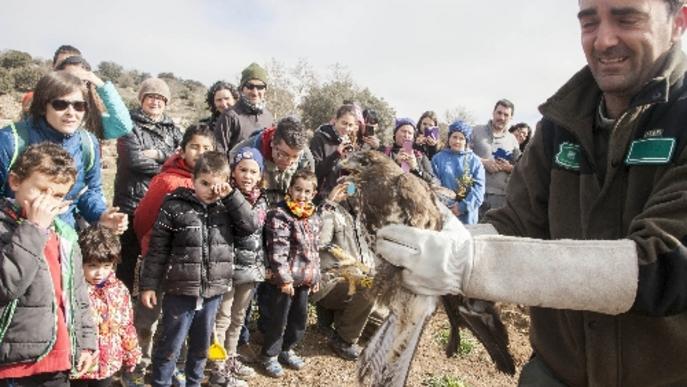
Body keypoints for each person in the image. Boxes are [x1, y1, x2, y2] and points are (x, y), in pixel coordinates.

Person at [374, 1, 687, 385]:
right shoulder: (560, 123)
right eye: (589, 21)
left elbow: (663, 265)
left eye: (627, 18)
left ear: (679, 21)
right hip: (554, 373)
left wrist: (471, 264)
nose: (604, 39)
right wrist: (442, 243)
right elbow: (517, 221)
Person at [139, 151, 259, 387]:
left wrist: (232, 196)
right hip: (180, 290)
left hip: (213, 291)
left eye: (216, 184)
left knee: (202, 344)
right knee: (170, 343)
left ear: (225, 183)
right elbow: (157, 249)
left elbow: (250, 225)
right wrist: (149, 285)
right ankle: (161, 381)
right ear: (193, 179)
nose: (209, 190)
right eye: (204, 183)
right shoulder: (174, 205)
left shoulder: (227, 208)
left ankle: (194, 382)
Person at [125, 124, 216, 387]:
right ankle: (136, 363)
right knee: (147, 318)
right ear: (183, 149)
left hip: (188, 270)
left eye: (206, 148)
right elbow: (143, 219)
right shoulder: (167, 180)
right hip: (158, 262)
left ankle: (170, 365)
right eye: (195, 147)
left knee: (178, 322)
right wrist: (153, 249)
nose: (200, 153)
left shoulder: (215, 183)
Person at [0, 143, 96, 386]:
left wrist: (85, 342)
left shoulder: (64, 234)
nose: (48, 202)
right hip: (13, 364)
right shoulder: (4, 228)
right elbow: (5, 285)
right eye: (41, 190)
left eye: (58, 195)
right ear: (15, 182)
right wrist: (32, 229)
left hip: (58, 360)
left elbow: (77, 294)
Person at [0, 72, 127, 231]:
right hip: (12, 237)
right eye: (60, 104)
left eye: (79, 106)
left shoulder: (87, 143)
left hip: (63, 236)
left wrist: (101, 214)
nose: (71, 112)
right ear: (42, 106)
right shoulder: (10, 141)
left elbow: (88, 191)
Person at [113, 77, 182, 291]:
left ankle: (149, 307)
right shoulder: (128, 126)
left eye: (161, 98)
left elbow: (183, 156)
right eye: (151, 97)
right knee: (126, 257)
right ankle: (123, 302)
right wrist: (168, 168)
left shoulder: (173, 130)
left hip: (162, 203)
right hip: (131, 202)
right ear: (142, 99)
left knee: (156, 255)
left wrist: (159, 154)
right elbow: (133, 160)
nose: (155, 102)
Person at [209, 148, 267, 386]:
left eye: (253, 171)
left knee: (238, 318)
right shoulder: (223, 198)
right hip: (227, 270)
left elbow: (258, 232)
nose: (247, 175)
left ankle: (230, 358)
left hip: (250, 270)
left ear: (260, 175)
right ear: (233, 171)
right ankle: (216, 367)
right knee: (221, 320)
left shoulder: (262, 200)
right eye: (243, 169)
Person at [259, 170, 321, 378]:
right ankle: (269, 354)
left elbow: (314, 250)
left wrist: (316, 276)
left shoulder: (312, 215)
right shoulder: (280, 214)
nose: (301, 195)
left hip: (305, 277)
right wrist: (284, 279)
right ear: (290, 189)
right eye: (298, 190)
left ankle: (287, 349)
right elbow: (277, 249)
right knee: (279, 318)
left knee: (299, 317)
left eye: (307, 191)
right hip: (285, 280)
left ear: (314, 193)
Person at [71, 225, 142, 387]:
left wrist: (131, 353)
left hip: (108, 362)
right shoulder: (75, 290)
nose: (99, 273)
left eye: (106, 266)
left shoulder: (119, 290)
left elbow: (126, 325)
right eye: (92, 266)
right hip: (80, 363)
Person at [312, 182, 375, 361]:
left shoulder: (362, 219)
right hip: (330, 283)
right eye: (351, 190)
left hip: (354, 282)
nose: (357, 196)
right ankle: (343, 340)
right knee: (370, 287)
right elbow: (319, 241)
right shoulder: (331, 212)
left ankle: (332, 320)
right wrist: (329, 203)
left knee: (380, 324)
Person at [230, 116, 314, 206]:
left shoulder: (306, 159)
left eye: (295, 157)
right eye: (284, 154)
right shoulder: (243, 153)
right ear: (273, 143)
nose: (289, 161)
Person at [56, 55, 133, 140]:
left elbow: (122, 125)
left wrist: (100, 84)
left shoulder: (92, 121)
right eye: (68, 78)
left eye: (81, 80)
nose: (74, 84)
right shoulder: (47, 113)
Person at [471, 99, 521, 219]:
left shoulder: (513, 140)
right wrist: (483, 162)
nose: (502, 117)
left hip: (500, 198)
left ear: (511, 118)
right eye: (499, 113)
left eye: (506, 115)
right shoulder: (476, 131)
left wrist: (508, 167)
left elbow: (521, 168)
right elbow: (462, 154)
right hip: (474, 193)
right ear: (493, 113)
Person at [431, 120, 485, 225]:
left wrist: (461, 207)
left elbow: (479, 189)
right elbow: (434, 185)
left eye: (461, 138)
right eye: (454, 137)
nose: (457, 141)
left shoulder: (474, 161)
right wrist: (447, 206)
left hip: (467, 217)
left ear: (466, 141)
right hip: (443, 213)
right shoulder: (438, 159)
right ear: (449, 138)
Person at [214, 63, 275, 153]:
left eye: (260, 87)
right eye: (250, 86)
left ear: (265, 90)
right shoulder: (230, 116)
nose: (255, 92)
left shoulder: (269, 117)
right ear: (242, 88)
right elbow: (219, 153)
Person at [309, 104, 359, 202]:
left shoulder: (350, 146)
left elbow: (352, 178)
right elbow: (315, 172)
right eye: (344, 123)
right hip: (318, 198)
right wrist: (336, 154)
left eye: (350, 125)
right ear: (335, 120)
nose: (347, 128)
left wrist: (350, 193)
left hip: (338, 200)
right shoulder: (320, 139)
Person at [383, 117, 438, 184]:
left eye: (410, 133)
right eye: (403, 131)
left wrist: (415, 168)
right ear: (395, 132)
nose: (406, 135)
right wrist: (396, 163)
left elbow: (431, 180)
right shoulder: (384, 152)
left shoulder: (420, 155)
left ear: (413, 137)